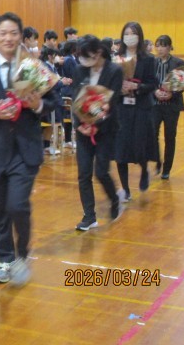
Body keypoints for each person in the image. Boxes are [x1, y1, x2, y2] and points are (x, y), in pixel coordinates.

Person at [0, 12, 57, 286]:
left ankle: (22, 253)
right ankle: (4, 259)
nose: (8, 38)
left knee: (18, 205)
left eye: (14, 33)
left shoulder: (34, 66)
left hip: (26, 149)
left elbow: (55, 100)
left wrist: (38, 105)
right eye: (3, 33)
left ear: (21, 37)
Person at [72, 35, 124, 231]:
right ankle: (89, 216)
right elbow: (75, 99)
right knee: (83, 173)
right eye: (82, 57)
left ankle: (114, 199)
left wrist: (97, 123)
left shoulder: (114, 71)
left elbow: (112, 102)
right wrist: (79, 124)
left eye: (88, 56)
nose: (84, 61)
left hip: (106, 129)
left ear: (99, 52)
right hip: (83, 129)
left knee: (101, 171)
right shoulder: (79, 70)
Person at [115, 22, 158, 200]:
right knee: (120, 149)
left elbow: (153, 83)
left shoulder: (147, 59)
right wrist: (120, 88)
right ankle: (125, 189)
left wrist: (137, 87)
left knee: (140, 144)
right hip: (122, 108)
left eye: (132, 33)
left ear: (139, 36)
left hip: (141, 107)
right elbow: (110, 82)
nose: (129, 37)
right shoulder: (117, 58)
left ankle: (144, 170)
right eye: (126, 33)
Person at [153, 35, 184, 180]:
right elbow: (149, 82)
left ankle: (167, 169)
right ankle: (157, 161)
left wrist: (172, 94)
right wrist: (155, 92)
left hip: (171, 106)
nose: (160, 49)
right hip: (155, 105)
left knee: (170, 137)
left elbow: (183, 83)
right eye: (157, 45)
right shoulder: (153, 62)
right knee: (152, 135)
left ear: (169, 47)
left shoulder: (178, 62)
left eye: (163, 45)